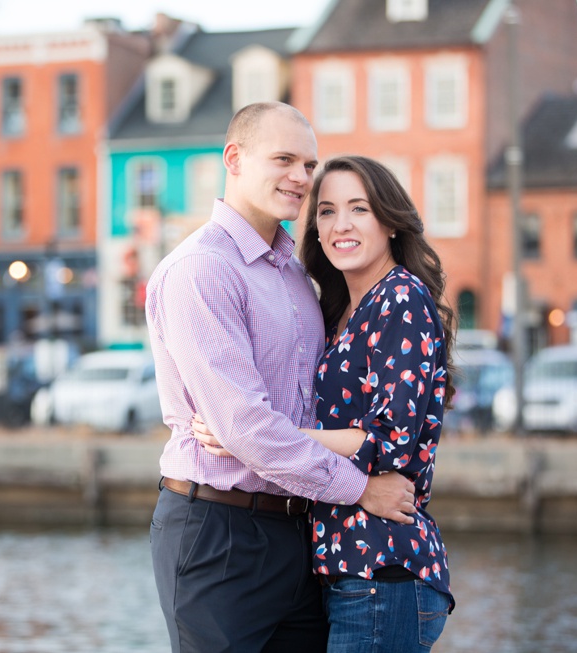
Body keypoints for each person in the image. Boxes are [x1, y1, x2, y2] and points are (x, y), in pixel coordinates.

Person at [145, 102, 417, 653]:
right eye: (284, 159)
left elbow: (309, 412)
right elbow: (245, 427)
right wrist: (362, 489)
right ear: (234, 159)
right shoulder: (203, 269)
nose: (301, 178)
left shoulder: (296, 275)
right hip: (219, 532)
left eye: (309, 165)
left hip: (300, 530)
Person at [194, 155, 457, 652]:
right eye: (327, 211)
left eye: (359, 209)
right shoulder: (341, 311)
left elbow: (392, 442)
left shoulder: (400, 298)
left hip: (384, 568)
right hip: (344, 570)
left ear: (390, 221)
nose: (341, 226)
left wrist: (254, 436)